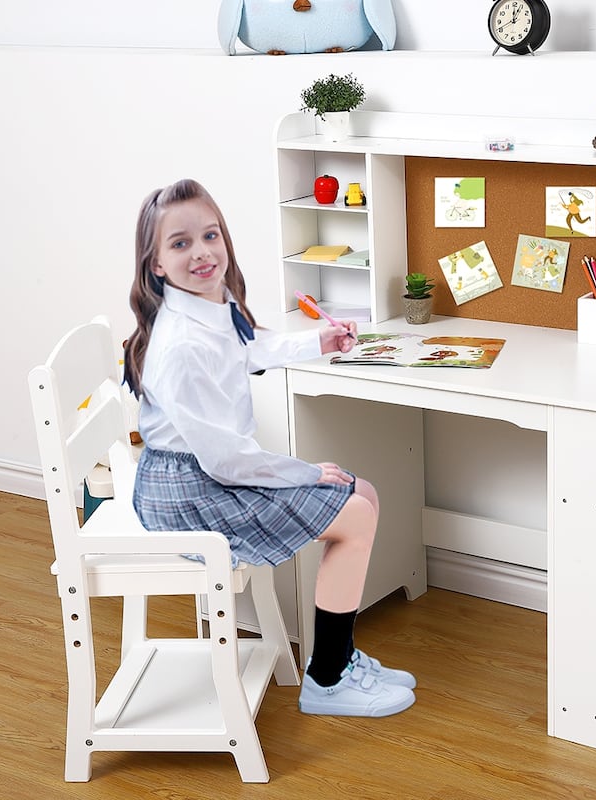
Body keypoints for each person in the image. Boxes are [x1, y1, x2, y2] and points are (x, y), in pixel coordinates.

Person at [123, 178, 415, 717]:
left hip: (208, 471)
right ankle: (327, 680)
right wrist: (304, 472)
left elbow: (248, 347)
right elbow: (225, 461)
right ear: (156, 263)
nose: (203, 252)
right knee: (353, 513)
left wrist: (317, 341)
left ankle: (339, 655)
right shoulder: (181, 345)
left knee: (364, 494)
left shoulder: (211, 303)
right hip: (189, 491)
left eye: (210, 235)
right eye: (180, 243)